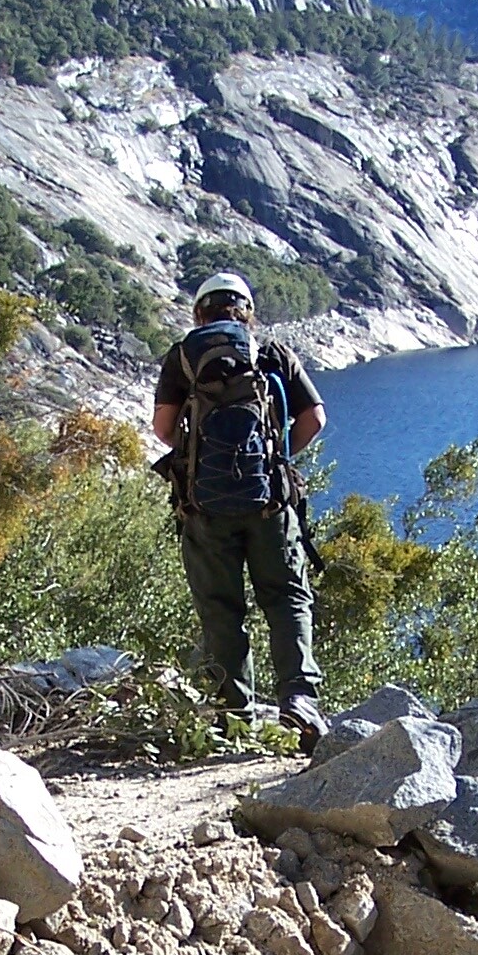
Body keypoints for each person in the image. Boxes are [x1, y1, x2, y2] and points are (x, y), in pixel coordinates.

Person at [152, 270, 330, 746]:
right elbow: (316, 418)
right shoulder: (271, 352)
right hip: (270, 501)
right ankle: (299, 700)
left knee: (220, 609)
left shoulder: (183, 357)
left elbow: (163, 430)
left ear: (200, 312)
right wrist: (279, 456)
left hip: (204, 507)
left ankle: (234, 714)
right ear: (246, 312)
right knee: (287, 597)